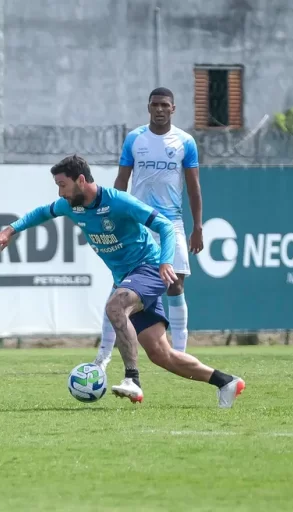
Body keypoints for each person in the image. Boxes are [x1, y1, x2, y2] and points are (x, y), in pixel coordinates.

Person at [0, 154, 244, 407]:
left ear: (81, 180)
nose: (60, 193)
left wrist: (166, 261)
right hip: (128, 278)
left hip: (149, 269)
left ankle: (132, 379)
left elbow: (164, 225)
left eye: (62, 185)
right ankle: (226, 382)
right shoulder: (70, 206)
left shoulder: (119, 201)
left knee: (115, 307)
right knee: (160, 354)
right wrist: (9, 231)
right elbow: (41, 213)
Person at [94, 87, 203, 373]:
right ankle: (103, 355)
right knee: (120, 288)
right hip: (138, 223)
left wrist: (198, 227)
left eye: (165, 105)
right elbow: (121, 181)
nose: (159, 109)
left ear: (173, 108)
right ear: (148, 107)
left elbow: (193, 187)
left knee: (176, 285)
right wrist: (113, 218)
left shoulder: (185, 142)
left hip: (171, 222)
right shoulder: (135, 139)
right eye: (155, 105)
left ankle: (179, 353)